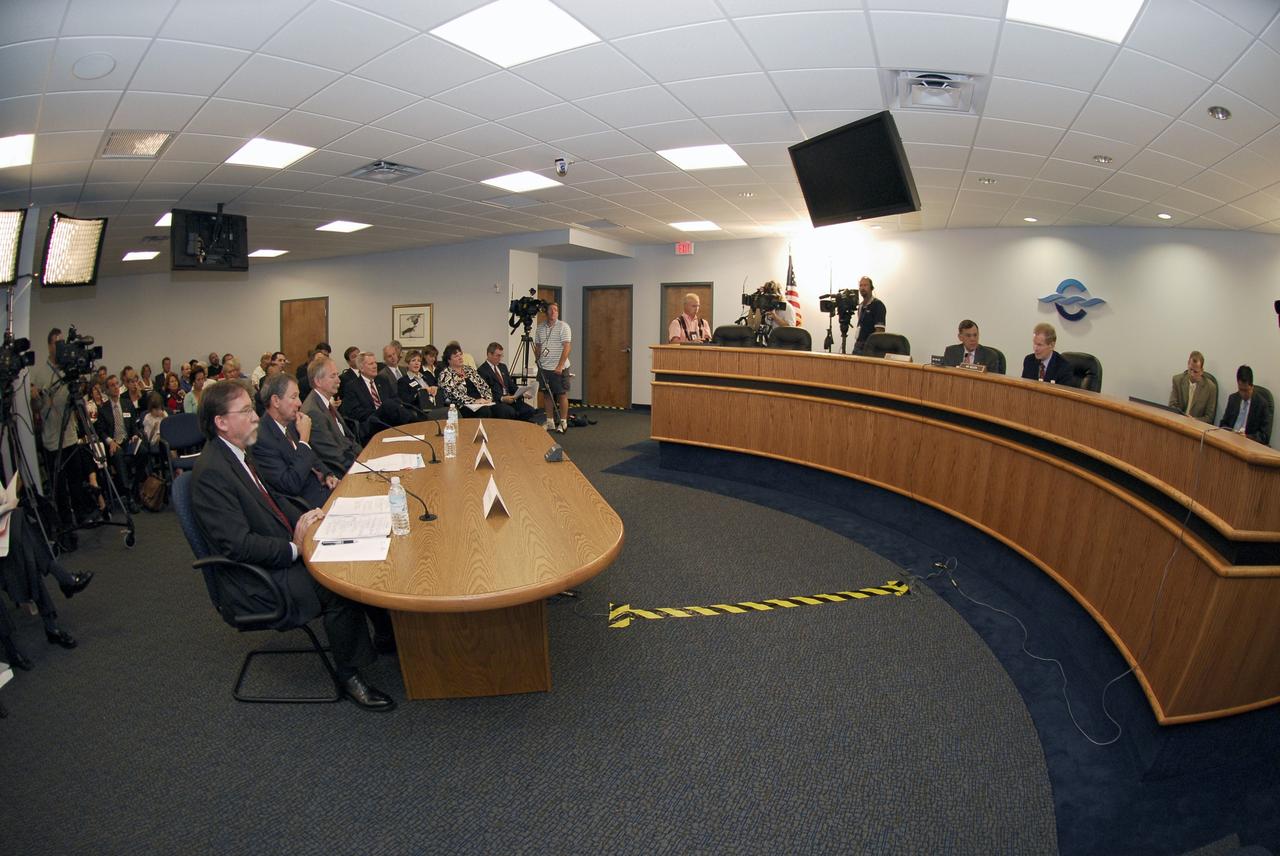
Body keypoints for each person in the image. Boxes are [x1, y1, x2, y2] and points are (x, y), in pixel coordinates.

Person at [190, 381, 393, 711]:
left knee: (352, 551)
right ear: (221, 422)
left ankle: (386, 635)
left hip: (275, 549)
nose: (256, 417)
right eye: (245, 411)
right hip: (254, 579)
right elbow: (238, 546)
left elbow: (271, 501)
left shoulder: (237, 454)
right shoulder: (212, 472)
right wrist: (296, 548)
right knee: (340, 584)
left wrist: (311, 517)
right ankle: (349, 674)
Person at [251, 373, 338, 510]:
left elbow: (311, 457)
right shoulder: (261, 438)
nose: (300, 403)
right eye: (293, 397)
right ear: (276, 401)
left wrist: (327, 474)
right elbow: (290, 484)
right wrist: (304, 439)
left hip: (325, 491)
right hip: (307, 507)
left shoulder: (290, 423)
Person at [302, 356, 363, 478]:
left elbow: (348, 438)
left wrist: (366, 456)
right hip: (343, 473)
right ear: (318, 381)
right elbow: (333, 456)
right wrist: (362, 468)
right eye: (332, 376)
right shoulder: (313, 412)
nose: (338, 380)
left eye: (337, 374)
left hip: (355, 461)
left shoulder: (324, 402)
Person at [436, 343, 514, 419]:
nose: (460, 358)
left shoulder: (469, 369)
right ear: (449, 360)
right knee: (485, 411)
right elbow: (455, 395)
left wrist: (488, 398)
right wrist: (475, 401)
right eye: (456, 356)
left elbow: (484, 386)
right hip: (462, 406)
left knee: (504, 410)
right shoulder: (445, 375)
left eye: (460, 354)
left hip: (481, 402)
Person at [534, 302, 572, 433]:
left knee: (561, 394)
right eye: (551, 310)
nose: (554, 312)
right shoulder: (540, 328)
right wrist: (537, 359)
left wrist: (560, 365)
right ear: (546, 312)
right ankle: (550, 421)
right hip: (544, 367)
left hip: (559, 367)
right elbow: (538, 346)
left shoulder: (563, 327)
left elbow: (567, 347)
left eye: (556, 310)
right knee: (546, 394)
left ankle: (563, 422)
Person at [478, 342, 539, 422]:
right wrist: (502, 398)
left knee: (530, 410)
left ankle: (518, 428)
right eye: (498, 356)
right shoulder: (482, 371)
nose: (500, 358)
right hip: (497, 402)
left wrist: (522, 393)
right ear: (489, 354)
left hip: (510, 399)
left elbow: (511, 385)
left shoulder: (503, 367)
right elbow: (485, 393)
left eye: (501, 355)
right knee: (509, 412)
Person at [1220, 365, 1270, 445]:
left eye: (1246, 390)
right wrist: (1230, 433)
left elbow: (1264, 436)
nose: (1243, 394)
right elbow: (1223, 424)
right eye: (1241, 390)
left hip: (1248, 445)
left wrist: (1247, 437)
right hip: (1230, 441)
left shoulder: (1262, 404)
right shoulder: (1233, 399)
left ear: (1252, 386)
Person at [1169, 350, 1218, 424]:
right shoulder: (1177, 380)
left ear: (1201, 371)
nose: (1192, 374)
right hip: (1178, 422)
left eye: (1195, 371)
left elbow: (1209, 417)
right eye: (1190, 369)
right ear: (1188, 364)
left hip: (1196, 427)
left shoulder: (1211, 388)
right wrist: (1183, 417)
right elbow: (1172, 406)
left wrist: (1194, 420)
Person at [852, 276, 885, 354]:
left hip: (870, 348)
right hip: (858, 346)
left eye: (865, 285)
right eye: (861, 285)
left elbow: (879, 332)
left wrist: (871, 348)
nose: (862, 288)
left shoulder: (877, 305)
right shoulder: (860, 306)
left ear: (871, 288)